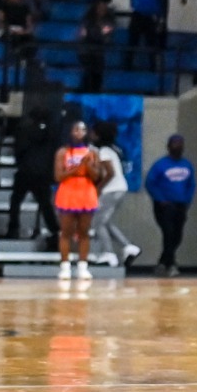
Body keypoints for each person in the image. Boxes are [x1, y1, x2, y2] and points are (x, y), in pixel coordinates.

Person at [52, 119, 100, 281]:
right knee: (66, 232)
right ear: (70, 132)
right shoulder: (62, 152)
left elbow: (96, 177)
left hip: (86, 192)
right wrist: (77, 169)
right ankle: (65, 266)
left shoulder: (93, 152)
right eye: (76, 130)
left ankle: (82, 267)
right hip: (68, 192)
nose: (79, 133)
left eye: (83, 130)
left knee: (84, 232)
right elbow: (58, 176)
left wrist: (87, 167)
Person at [88, 122, 138, 269]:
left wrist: (98, 189)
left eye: (93, 132)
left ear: (98, 135)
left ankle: (108, 254)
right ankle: (128, 247)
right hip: (119, 189)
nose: (90, 135)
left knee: (97, 222)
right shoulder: (112, 149)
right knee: (105, 222)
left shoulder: (104, 151)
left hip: (112, 190)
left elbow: (110, 173)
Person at [144, 133, 195, 277]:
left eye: (180, 143)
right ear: (168, 146)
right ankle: (171, 264)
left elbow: (191, 184)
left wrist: (187, 200)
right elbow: (150, 183)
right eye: (175, 143)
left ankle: (162, 263)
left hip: (181, 205)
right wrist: (160, 199)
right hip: (165, 206)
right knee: (168, 233)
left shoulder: (187, 165)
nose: (178, 146)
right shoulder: (160, 164)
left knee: (177, 236)